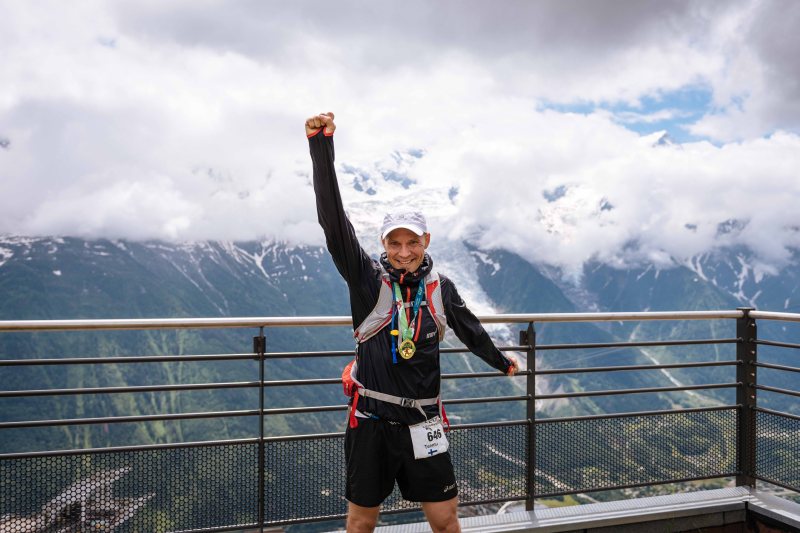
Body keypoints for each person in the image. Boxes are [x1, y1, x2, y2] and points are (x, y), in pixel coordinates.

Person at [306, 112, 518, 533]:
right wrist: (320, 146)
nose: (404, 251)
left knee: (445, 521)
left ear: (427, 242)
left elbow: (469, 328)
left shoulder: (442, 289)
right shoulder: (367, 282)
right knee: (361, 523)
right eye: (395, 242)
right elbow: (334, 225)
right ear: (383, 243)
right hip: (371, 422)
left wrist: (502, 361)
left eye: (412, 242)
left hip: (425, 423)